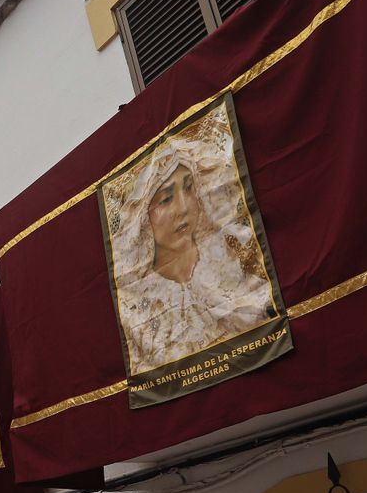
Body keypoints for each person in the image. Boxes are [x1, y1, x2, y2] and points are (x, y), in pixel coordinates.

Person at [106, 129, 274, 374]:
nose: (183, 208)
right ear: (142, 219)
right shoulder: (140, 305)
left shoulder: (232, 250)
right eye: (165, 199)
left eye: (189, 188)